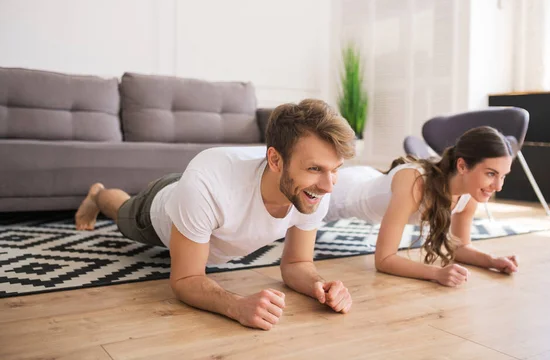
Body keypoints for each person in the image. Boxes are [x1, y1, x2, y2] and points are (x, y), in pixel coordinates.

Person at [75, 99, 356, 330]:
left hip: (197, 196)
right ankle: (98, 194)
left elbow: (296, 263)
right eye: (315, 169)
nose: (329, 185)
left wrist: (319, 285)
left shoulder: (314, 191)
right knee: (124, 211)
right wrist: (237, 306)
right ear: (275, 160)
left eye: (336, 169)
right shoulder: (208, 184)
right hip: (160, 210)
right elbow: (185, 280)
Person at [324, 126, 519, 287]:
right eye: (491, 174)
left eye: (503, 176)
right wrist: (436, 273)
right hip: (340, 192)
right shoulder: (415, 182)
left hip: (370, 179)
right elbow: (384, 259)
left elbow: (460, 247)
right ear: (462, 166)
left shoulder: (470, 194)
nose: (499, 186)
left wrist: (492, 261)